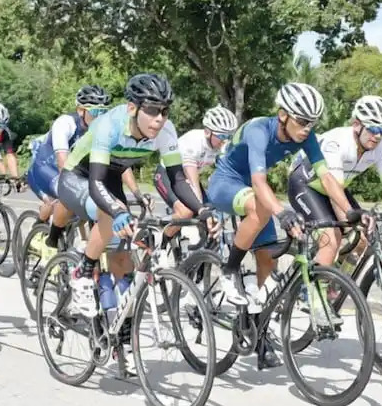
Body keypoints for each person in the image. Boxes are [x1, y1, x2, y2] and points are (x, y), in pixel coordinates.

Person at [205, 82, 355, 367]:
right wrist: (282, 213)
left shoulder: (305, 136)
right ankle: (230, 268)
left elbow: (326, 177)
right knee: (262, 206)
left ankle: (257, 332)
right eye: (302, 121)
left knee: (267, 261)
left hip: (254, 193)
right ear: (283, 115)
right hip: (226, 183)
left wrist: (350, 211)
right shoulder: (259, 130)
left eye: (312, 122)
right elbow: (259, 181)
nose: (308, 128)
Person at [55, 73, 212, 323]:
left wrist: (202, 210)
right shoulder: (109, 125)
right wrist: (117, 211)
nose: (159, 119)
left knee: (122, 257)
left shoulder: (166, 131)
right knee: (112, 213)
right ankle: (82, 272)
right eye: (151, 110)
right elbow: (96, 183)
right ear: (132, 108)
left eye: (164, 111)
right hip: (78, 177)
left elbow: (178, 180)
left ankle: (121, 328)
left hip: (111, 178)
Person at [288, 95, 382, 272]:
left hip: (336, 188)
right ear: (356, 124)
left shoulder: (381, 147)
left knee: (362, 239)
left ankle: (337, 280)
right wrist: (351, 218)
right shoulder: (337, 142)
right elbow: (333, 187)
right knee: (331, 240)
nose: (378, 136)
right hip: (305, 184)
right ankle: (316, 286)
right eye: (373, 128)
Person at [27, 85, 112, 223]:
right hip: (45, 168)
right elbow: (63, 163)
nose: (100, 117)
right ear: (81, 110)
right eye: (96, 111)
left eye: (104, 112)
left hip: (68, 169)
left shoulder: (101, 130)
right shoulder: (66, 123)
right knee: (75, 197)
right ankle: (42, 231)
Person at [153, 105, 237, 240]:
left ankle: (201, 250)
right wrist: (199, 208)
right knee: (187, 212)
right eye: (222, 135)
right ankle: (160, 238)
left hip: (186, 178)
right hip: (168, 175)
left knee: (213, 214)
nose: (225, 140)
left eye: (229, 136)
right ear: (207, 132)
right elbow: (192, 179)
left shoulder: (220, 147)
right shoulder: (194, 141)